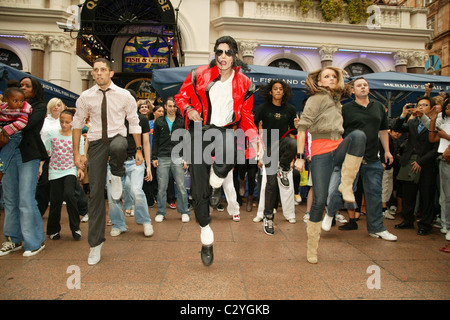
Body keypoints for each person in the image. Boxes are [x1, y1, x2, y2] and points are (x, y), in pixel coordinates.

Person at [175, 35, 262, 266]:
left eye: (228, 52)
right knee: (199, 191)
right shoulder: (198, 74)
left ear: (235, 56)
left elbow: (247, 116)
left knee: (233, 151)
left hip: (224, 131)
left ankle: (217, 182)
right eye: (219, 52)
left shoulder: (244, 83)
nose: (223, 56)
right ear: (215, 54)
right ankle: (206, 234)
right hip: (198, 130)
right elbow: (181, 97)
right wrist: (189, 109)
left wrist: (254, 138)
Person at [72, 58, 143, 265]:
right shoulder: (85, 97)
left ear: (111, 73)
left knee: (119, 146)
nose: (99, 73)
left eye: (103, 69)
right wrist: (77, 154)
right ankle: (95, 245)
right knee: (94, 196)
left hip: (118, 138)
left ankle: (118, 174)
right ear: (93, 74)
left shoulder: (124, 95)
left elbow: (134, 122)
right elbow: (77, 124)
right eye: (96, 70)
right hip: (96, 144)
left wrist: (138, 149)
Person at [294, 67, 367, 264]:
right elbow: (302, 129)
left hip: (339, 146)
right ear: (319, 81)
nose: (332, 78)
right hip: (321, 151)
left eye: (334, 76)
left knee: (359, 136)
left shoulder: (336, 100)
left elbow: (349, 87)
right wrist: (300, 156)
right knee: (319, 201)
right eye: (327, 76)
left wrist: (342, 74)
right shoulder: (315, 99)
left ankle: (346, 184)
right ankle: (312, 247)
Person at [324, 77, 397, 241]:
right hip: (351, 159)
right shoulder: (346, 109)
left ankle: (377, 228)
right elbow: (338, 132)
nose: (363, 87)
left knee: (375, 195)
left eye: (365, 85)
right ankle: (330, 214)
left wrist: (387, 151)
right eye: (359, 85)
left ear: (368, 89)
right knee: (340, 190)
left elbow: (383, 130)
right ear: (353, 91)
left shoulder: (378, 107)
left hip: (372, 158)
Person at [0, 76, 47, 257]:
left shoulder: (38, 107)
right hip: (8, 154)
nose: (23, 88)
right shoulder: (7, 106)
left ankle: (34, 241)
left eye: (28, 86)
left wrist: (5, 128)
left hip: (28, 155)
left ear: (35, 90)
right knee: (10, 199)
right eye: (21, 85)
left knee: (26, 199)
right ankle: (13, 239)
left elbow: (28, 126)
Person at [253, 79, 298, 234]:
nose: (278, 91)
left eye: (280, 89)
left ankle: (283, 168)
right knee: (270, 185)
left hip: (284, 147)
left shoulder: (290, 109)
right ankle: (268, 217)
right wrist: (259, 153)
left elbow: (293, 134)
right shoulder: (262, 108)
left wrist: (292, 158)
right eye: (275, 89)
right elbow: (253, 129)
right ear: (271, 92)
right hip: (269, 149)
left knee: (293, 144)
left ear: (283, 92)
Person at [392, 97, 439, 235]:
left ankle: (425, 224)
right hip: (409, 162)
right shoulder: (413, 123)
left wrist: (421, 161)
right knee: (408, 194)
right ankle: (407, 220)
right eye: (419, 105)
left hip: (427, 164)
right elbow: (397, 128)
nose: (421, 107)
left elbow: (436, 149)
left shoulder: (435, 124)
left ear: (431, 108)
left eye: (425, 105)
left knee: (426, 195)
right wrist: (403, 115)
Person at [107, 107, 154, 237]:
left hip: (135, 161)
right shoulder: (113, 117)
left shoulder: (141, 119)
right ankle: (118, 224)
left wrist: (148, 166)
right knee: (113, 195)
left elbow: (146, 143)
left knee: (137, 191)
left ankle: (145, 221)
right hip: (115, 162)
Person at [44, 108, 84, 240]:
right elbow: (46, 152)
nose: (64, 124)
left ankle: (75, 228)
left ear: (73, 123)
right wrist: (40, 167)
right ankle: (53, 230)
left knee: (69, 194)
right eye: (62, 121)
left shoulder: (77, 137)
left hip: (70, 169)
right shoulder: (52, 134)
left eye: (67, 122)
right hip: (55, 170)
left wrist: (80, 169)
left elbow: (81, 155)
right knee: (55, 201)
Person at [152, 97, 190, 223]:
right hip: (162, 157)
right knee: (162, 187)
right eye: (170, 106)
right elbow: (155, 140)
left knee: (181, 186)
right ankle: (161, 212)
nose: (172, 108)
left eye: (174, 106)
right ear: (165, 106)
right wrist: (154, 157)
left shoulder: (182, 121)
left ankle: (184, 211)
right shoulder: (159, 122)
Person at [422, 98, 450, 239]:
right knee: (445, 196)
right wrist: (432, 119)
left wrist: (447, 136)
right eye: (448, 107)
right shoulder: (444, 123)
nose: (449, 110)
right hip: (445, 161)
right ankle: (446, 224)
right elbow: (432, 139)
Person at [36, 97, 67, 216]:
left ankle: (83, 209)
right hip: (45, 156)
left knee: (65, 185)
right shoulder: (43, 121)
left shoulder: (65, 122)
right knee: (43, 183)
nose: (56, 107)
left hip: (62, 157)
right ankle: (39, 211)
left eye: (59, 105)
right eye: (54, 105)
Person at [0, 85, 32, 179]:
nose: (19, 103)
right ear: (6, 100)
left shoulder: (22, 111)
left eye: (21, 101)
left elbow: (22, 123)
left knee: (4, 155)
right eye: (15, 101)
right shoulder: (4, 109)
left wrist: (6, 129)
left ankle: (1, 170)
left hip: (15, 137)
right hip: (4, 133)